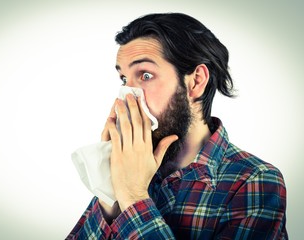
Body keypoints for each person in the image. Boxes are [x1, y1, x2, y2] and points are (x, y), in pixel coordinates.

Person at [66, 13, 287, 239]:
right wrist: (110, 194)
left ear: (196, 81)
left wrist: (133, 196)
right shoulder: (131, 167)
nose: (125, 97)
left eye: (145, 74)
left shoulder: (254, 180)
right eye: (124, 79)